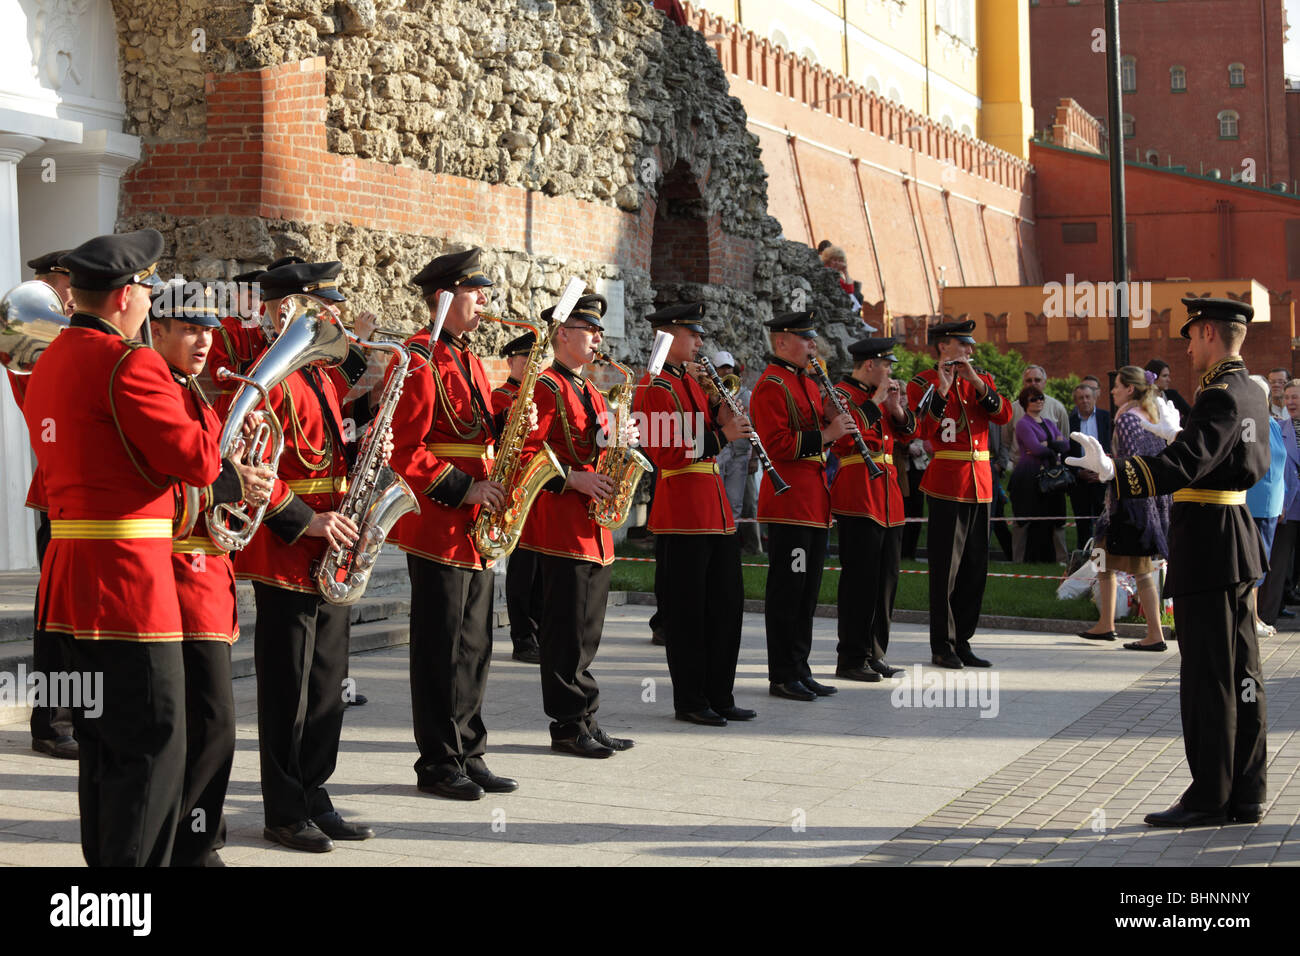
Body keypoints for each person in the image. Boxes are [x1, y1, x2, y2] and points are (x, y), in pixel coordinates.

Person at [22, 229, 224, 866]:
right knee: (152, 741)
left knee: (103, 743)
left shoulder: (47, 357)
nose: (149, 301)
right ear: (126, 295)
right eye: (147, 289)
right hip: (129, 584)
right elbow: (195, 458)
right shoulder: (130, 362)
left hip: (69, 580)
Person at [1069, 297, 1269, 828]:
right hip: (1236, 539)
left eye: (1189, 337)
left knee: (1209, 677)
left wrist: (1117, 470)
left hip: (1210, 544)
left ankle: (1209, 797)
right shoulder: (1252, 390)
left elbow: (1190, 460)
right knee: (1242, 672)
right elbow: (1243, 459)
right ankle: (1245, 790)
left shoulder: (1220, 395)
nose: (1186, 348)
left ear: (1207, 333)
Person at [234, 259, 378, 852]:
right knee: (288, 691)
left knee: (326, 687)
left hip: (336, 545)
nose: (336, 319)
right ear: (288, 309)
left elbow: (336, 445)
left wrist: (370, 425)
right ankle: (284, 810)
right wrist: (307, 519)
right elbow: (249, 467)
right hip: (289, 551)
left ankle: (315, 792)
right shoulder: (268, 376)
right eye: (325, 309)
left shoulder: (322, 377)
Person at [386, 248, 520, 800]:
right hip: (440, 524)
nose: (485, 301)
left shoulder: (465, 357)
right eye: (475, 292)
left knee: (474, 644)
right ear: (445, 297)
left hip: (475, 527)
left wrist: (514, 417)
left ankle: (469, 748)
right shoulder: (417, 358)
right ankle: (438, 762)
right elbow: (404, 450)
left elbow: (477, 427)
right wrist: (466, 489)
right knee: (441, 648)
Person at [149, 279, 274, 866]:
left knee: (210, 722)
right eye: (189, 329)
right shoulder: (160, 391)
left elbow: (207, 468)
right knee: (210, 721)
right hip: (179, 575)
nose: (203, 340)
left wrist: (246, 471)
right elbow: (173, 486)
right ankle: (191, 847)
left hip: (208, 574)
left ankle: (200, 837)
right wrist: (232, 480)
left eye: (208, 331)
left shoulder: (191, 389)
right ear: (158, 331)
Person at [518, 291, 636, 757]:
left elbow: (596, 448)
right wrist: (573, 480)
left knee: (587, 631)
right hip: (563, 523)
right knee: (565, 631)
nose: (598, 337)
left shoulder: (590, 388)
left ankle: (586, 716)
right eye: (590, 330)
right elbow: (529, 455)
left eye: (599, 331)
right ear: (562, 334)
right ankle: (567, 727)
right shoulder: (545, 386)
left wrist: (619, 440)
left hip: (595, 526)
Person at [634, 302, 754, 725]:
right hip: (682, 508)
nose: (700, 342)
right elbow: (668, 447)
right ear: (667, 335)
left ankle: (720, 694)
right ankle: (690, 699)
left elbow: (703, 435)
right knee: (687, 612)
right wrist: (723, 433)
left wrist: (722, 411)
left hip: (713, 507)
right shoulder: (655, 386)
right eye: (693, 334)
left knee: (725, 605)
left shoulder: (688, 382)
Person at [750, 311, 853, 700]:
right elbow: (775, 444)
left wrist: (833, 423)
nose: (813, 345)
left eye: (813, 339)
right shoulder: (771, 385)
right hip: (789, 501)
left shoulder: (808, 383)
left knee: (808, 591)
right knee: (788, 591)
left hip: (813, 501)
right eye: (806, 339)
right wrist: (826, 432)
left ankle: (800, 667)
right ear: (782, 343)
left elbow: (823, 440)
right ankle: (782, 674)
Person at [906, 319, 1012, 669]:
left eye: (970, 345)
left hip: (981, 484)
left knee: (974, 569)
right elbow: (921, 428)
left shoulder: (978, 380)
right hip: (947, 484)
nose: (970, 350)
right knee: (945, 572)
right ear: (943, 347)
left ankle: (963, 639)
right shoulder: (922, 382)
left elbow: (1003, 415)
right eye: (963, 344)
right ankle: (942, 645)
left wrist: (977, 383)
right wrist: (942, 387)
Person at [8, 250, 76, 760]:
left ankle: (78, 717)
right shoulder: (32, 338)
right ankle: (52, 724)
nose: (68, 300)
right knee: (58, 621)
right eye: (61, 290)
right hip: (63, 496)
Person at [829, 336, 915, 682]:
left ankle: (875, 652)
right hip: (859, 493)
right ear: (870, 365)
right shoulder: (840, 393)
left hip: (888, 495)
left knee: (886, 580)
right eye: (886, 365)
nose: (890, 371)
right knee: (859, 582)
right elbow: (845, 440)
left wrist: (895, 408)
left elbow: (909, 434)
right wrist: (876, 401)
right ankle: (851, 657)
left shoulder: (880, 398)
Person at [1076, 367, 1172, 649]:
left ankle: (1155, 634)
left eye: (1117, 386)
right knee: (1102, 559)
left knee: (1140, 568)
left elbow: (1133, 464)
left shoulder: (1129, 419)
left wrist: (1107, 469)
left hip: (1132, 502)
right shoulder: (1146, 415)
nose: (1112, 391)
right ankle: (1106, 624)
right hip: (1136, 500)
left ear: (1130, 389)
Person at [493, 331, 544, 665]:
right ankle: (522, 638)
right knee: (523, 568)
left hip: (539, 488)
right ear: (511, 362)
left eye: (535, 361)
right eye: (525, 360)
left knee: (540, 567)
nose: (531, 367)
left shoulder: (540, 396)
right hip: (515, 488)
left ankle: (539, 632)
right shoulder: (500, 397)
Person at [1245, 375, 1293, 639]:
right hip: (1254, 502)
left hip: (1273, 503)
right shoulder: (1248, 425)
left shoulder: (1272, 424)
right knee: (1254, 564)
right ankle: (1250, 618)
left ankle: (1256, 616)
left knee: (1262, 564)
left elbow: (1281, 462)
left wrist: (1283, 497)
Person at [1005, 364, 1070, 561]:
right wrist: (1050, 445)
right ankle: (1019, 561)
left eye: (1037, 381)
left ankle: (1061, 560)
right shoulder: (1016, 414)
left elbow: (1065, 443)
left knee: (1056, 518)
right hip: (1026, 473)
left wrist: (1047, 443)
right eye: (1029, 381)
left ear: (1045, 382)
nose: (1037, 399)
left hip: (1052, 474)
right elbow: (1029, 446)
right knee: (1022, 520)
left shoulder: (1056, 410)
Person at [1257, 379, 1300, 627]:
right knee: (1277, 565)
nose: (1291, 402)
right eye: (1288, 398)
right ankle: (1265, 618)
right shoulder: (1277, 427)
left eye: (1296, 397)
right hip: (1288, 505)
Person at [1067, 383, 1112, 549]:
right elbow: (1066, 452)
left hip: (1102, 478)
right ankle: (1083, 556)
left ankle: (1105, 553)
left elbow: (1112, 445)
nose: (1085, 401)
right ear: (1075, 401)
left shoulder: (1106, 418)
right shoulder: (1069, 422)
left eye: (1088, 397)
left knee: (1105, 519)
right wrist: (1078, 472)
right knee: (1082, 522)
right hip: (1080, 481)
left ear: (1094, 398)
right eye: (1081, 398)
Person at [1143, 358, 1193, 425]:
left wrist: (1177, 426)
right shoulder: (1142, 399)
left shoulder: (1173, 395)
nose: (1169, 380)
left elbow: (1191, 414)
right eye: (1164, 376)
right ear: (1153, 377)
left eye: (1168, 376)